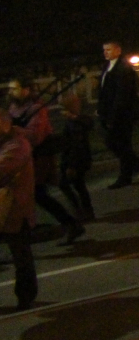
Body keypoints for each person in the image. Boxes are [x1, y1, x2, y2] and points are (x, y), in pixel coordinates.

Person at [8, 78, 85, 243]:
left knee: (38, 194)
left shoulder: (37, 109)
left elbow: (36, 136)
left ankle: (70, 223)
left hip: (38, 157)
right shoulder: (14, 107)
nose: (10, 92)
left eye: (14, 88)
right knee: (29, 195)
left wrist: (14, 130)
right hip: (21, 156)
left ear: (26, 89)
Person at [0, 109, 38, 310]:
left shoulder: (17, 145)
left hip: (15, 208)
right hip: (5, 208)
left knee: (21, 256)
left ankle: (26, 296)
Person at [97, 41, 139, 188]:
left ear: (118, 50)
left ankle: (126, 174)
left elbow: (121, 95)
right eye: (104, 50)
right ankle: (135, 163)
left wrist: (113, 115)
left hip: (122, 115)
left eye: (108, 49)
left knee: (120, 143)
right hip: (110, 112)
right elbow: (105, 91)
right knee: (116, 143)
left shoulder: (123, 68)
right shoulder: (107, 66)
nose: (106, 52)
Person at [55, 94, 95, 222]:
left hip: (75, 160)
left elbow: (75, 144)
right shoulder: (77, 120)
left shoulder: (74, 123)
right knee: (79, 185)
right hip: (78, 159)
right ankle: (85, 210)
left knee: (68, 184)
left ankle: (80, 211)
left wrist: (71, 165)